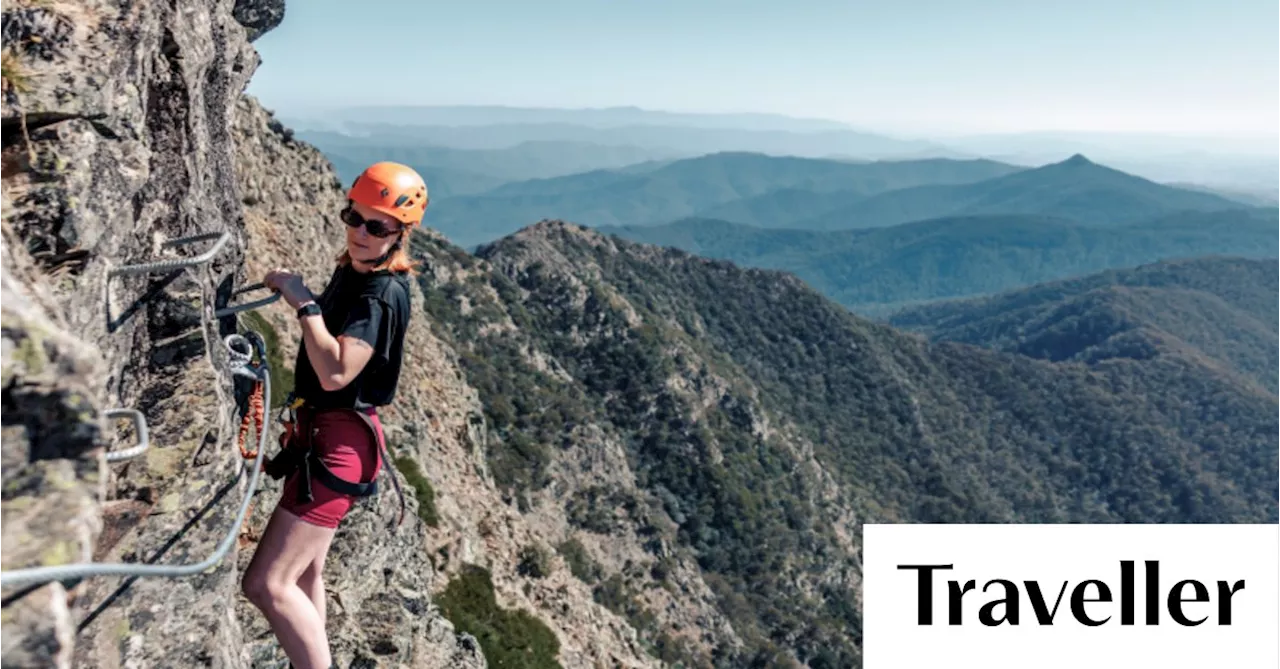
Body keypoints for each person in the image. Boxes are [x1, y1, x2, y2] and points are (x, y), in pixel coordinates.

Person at [240, 162, 427, 669]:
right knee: (303, 577)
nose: (361, 232)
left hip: (338, 449)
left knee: (265, 584)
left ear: (401, 233)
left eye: (378, 226)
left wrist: (304, 304)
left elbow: (338, 373)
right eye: (354, 217)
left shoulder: (380, 294)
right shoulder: (355, 271)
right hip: (330, 441)